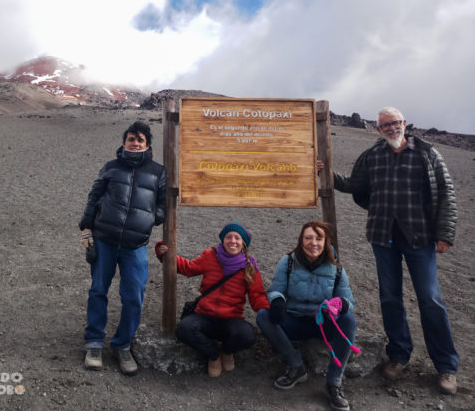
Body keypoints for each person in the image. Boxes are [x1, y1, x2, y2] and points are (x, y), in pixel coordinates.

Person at [332, 106, 459, 395]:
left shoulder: (427, 154)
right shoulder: (373, 156)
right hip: (383, 237)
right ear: (378, 129)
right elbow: (355, 185)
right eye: (385, 125)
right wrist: (326, 172)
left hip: (420, 238)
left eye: (395, 123)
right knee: (390, 298)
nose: (391, 128)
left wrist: (445, 235)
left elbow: (446, 192)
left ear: (404, 124)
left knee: (430, 299)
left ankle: (447, 366)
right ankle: (399, 356)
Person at [79, 120, 166, 375]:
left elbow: (162, 205)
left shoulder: (158, 172)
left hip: (135, 245)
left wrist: (151, 218)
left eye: (140, 139)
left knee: (134, 296)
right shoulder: (111, 167)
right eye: (131, 138)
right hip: (105, 239)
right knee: (98, 290)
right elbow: (93, 197)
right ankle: (94, 343)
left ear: (148, 144)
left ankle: (123, 344)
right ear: (124, 142)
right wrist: (86, 227)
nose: (135, 143)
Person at [256, 221, 356, 411]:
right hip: (294, 319)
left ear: (326, 242)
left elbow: (348, 300)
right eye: (308, 238)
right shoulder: (288, 261)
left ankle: (334, 382)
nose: (313, 243)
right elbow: (275, 289)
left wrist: (341, 304)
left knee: (349, 320)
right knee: (263, 315)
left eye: (319, 239)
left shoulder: (336, 268)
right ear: (301, 240)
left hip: (323, 323)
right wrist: (277, 300)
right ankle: (296, 365)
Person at [154, 223, 270, 378]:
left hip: (231, 319)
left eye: (237, 238)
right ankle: (213, 355)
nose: (232, 241)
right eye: (228, 237)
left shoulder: (249, 266)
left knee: (246, 335)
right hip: (204, 315)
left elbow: (257, 295)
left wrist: (268, 309)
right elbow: (188, 268)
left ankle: (227, 351)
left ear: (243, 244)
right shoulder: (210, 255)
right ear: (223, 240)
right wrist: (166, 254)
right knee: (184, 329)